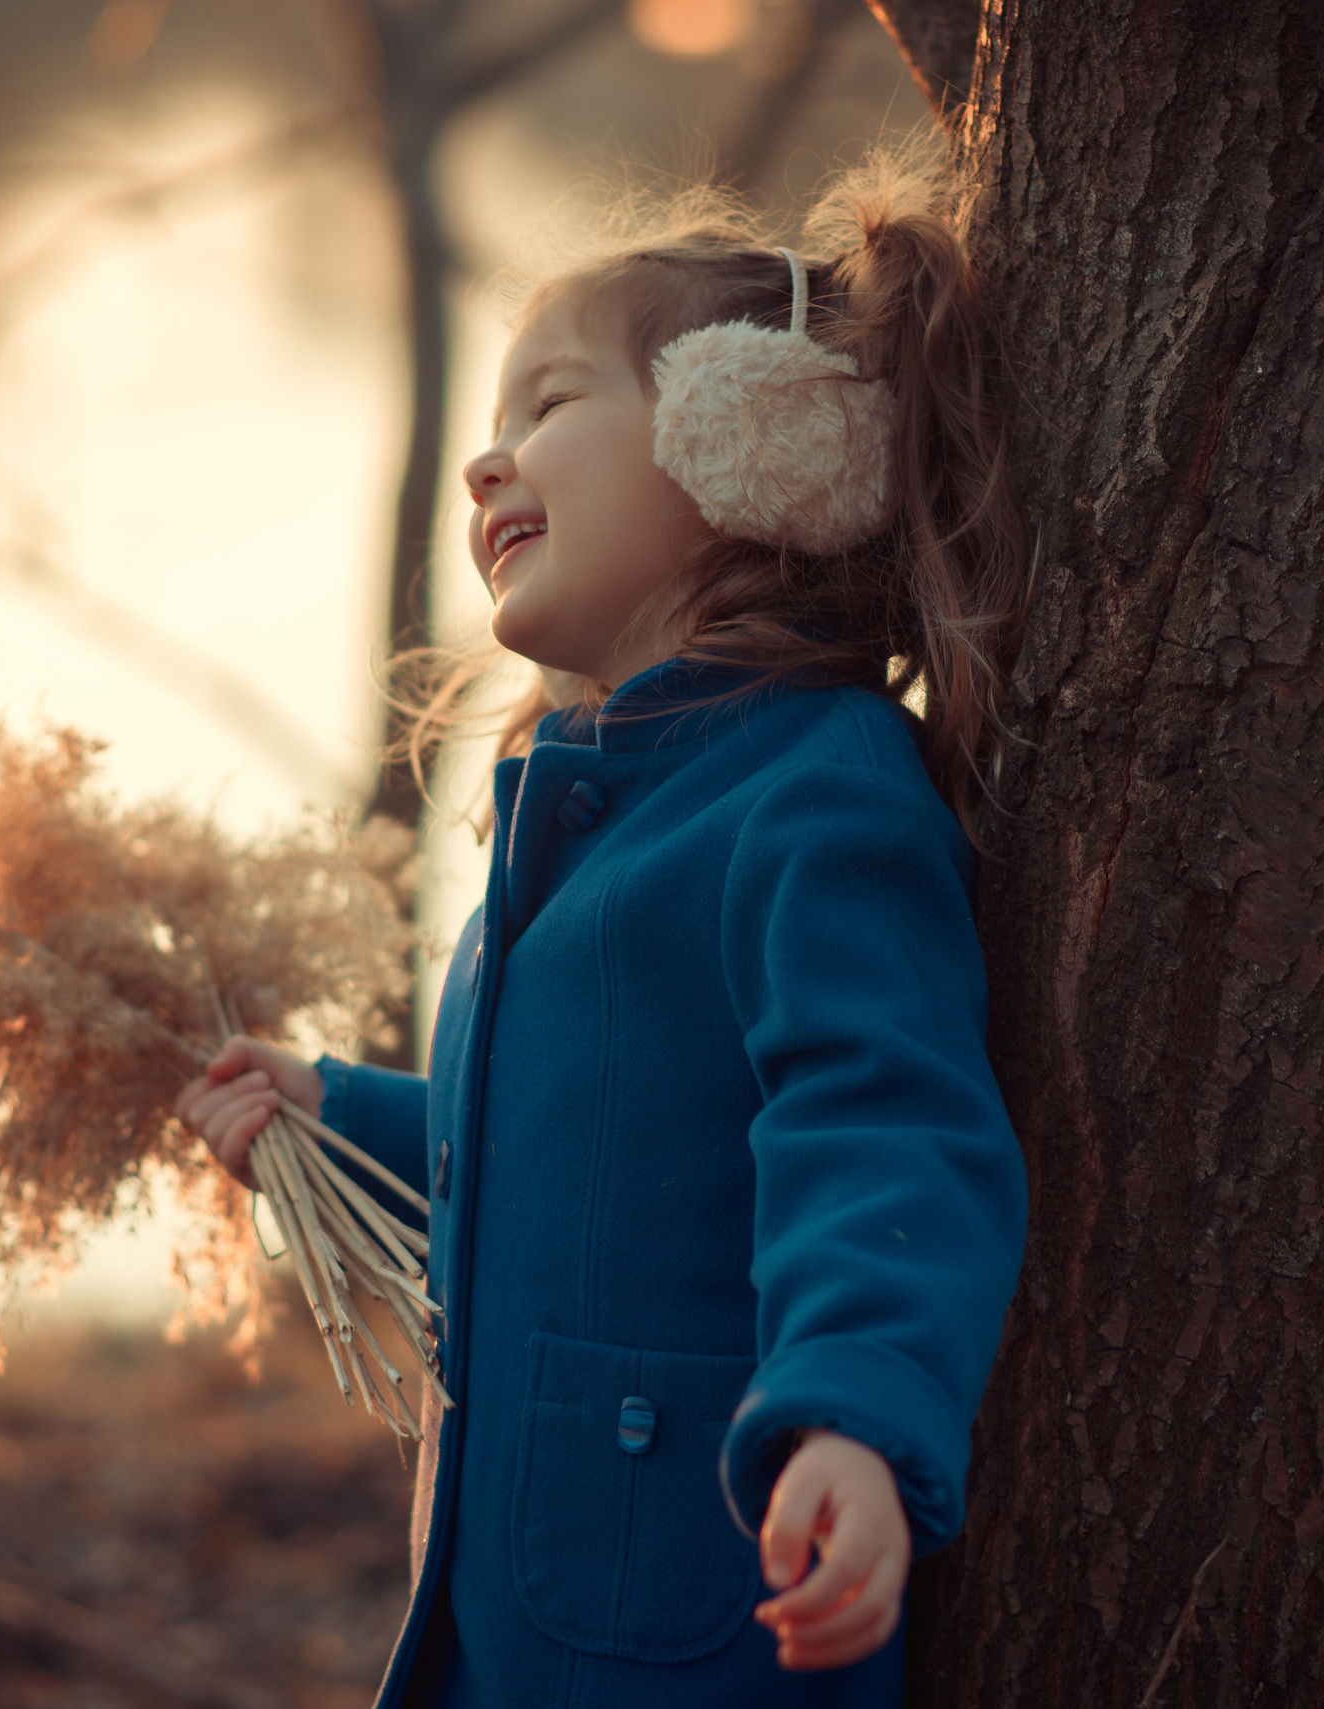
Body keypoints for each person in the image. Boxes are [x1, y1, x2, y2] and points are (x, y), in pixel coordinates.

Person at [175, 141, 1029, 1708]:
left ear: (750, 434)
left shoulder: (816, 791)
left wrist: (854, 1415)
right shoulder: (580, 811)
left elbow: (887, 1129)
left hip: (698, 1622)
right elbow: (580, 1161)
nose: (484, 465)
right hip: (524, 1613)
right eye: (494, 423)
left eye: (549, 405)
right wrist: (339, 1116)